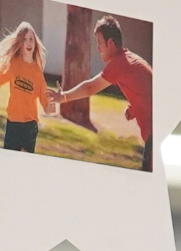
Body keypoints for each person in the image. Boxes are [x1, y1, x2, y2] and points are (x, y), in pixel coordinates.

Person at [54, 16, 153, 163]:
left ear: (110, 43)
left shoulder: (120, 64)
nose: (98, 48)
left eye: (100, 43)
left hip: (155, 137)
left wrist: (63, 97)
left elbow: (90, 88)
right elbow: (148, 89)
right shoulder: (130, 59)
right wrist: (135, 108)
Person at [0, 19, 48, 153]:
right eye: (25, 39)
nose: (28, 42)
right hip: (13, 123)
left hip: (29, 126)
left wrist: (50, 107)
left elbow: (45, 101)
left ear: (35, 42)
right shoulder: (13, 64)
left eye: (31, 39)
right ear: (20, 43)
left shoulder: (37, 72)